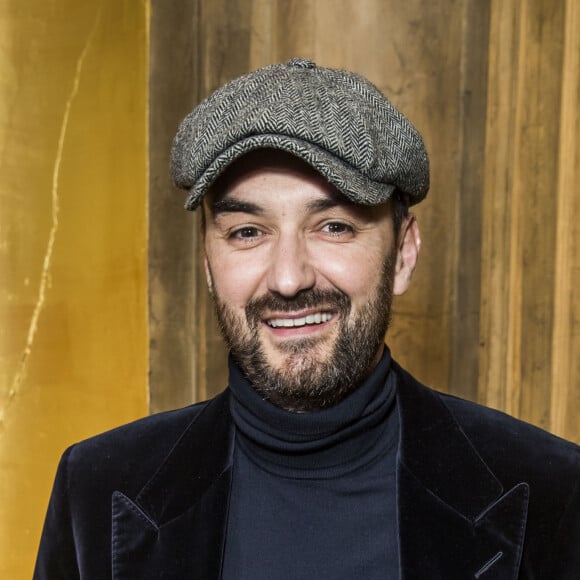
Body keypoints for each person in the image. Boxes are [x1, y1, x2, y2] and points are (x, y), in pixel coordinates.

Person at [35, 59, 578, 579]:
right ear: (207, 262)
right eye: (247, 231)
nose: (289, 279)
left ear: (404, 254)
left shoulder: (550, 493)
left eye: (334, 226)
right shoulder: (97, 490)